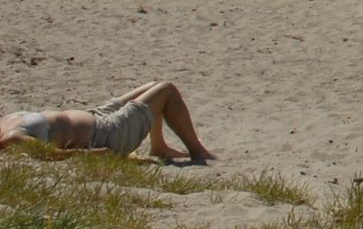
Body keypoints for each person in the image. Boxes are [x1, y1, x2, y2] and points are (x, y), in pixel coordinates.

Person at [1, 81, 213, 162]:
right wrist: (98, 153)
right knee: (167, 90)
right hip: (107, 134)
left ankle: (159, 147)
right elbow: (53, 155)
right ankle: (197, 152)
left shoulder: (5, 123)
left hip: (96, 115)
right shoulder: (12, 138)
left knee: (153, 85)